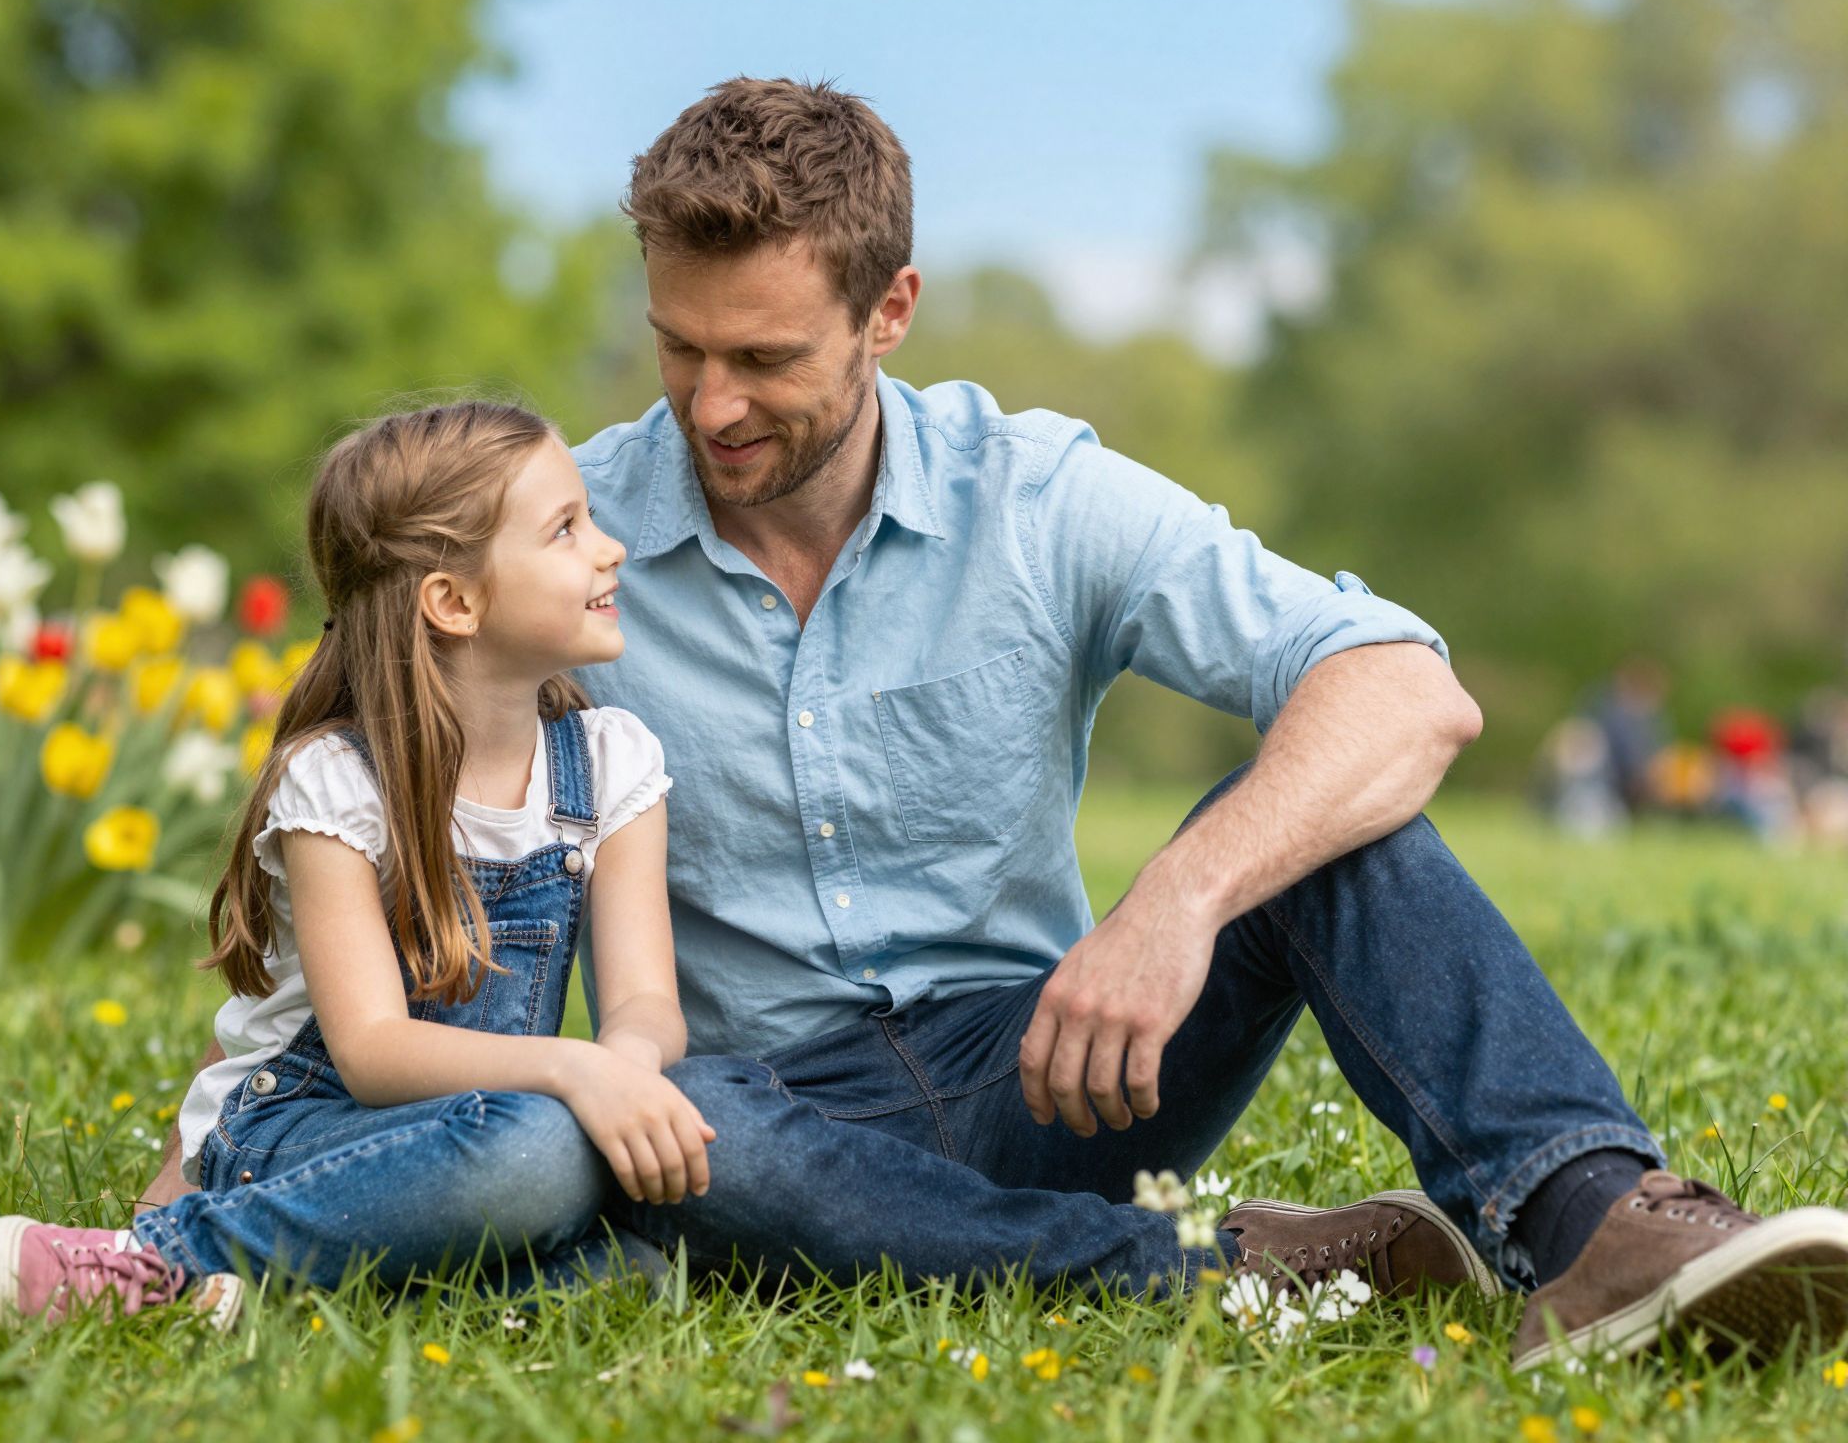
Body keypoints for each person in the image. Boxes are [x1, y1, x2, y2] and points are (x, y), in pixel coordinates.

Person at [142, 79, 1848, 1369]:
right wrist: (217, 1150)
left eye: (763, 356)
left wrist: (1172, 907)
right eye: (677, 348)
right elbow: (378, 787)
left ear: (887, 313)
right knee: (657, 1126)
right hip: (755, 1114)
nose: (709, 403)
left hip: (1056, 1058)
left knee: (1345, 818)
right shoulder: (558, 548)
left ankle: (1589, 1225)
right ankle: (1234, 1262)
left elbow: (1404, 684)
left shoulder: (1037, 497)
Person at [0, 402, 705, 1327]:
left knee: (635, 1251)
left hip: (470, 1127)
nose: (609, 549)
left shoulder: (611, 763)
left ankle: (284, 1287)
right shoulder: (339, 784)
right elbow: (370, 1052)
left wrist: (626, 1068)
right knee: (539, 1156)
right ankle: (150, 1261)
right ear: (454, 601)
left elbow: (646, 1001)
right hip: (300, 1131)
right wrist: (573, 1074)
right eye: (566, 528)